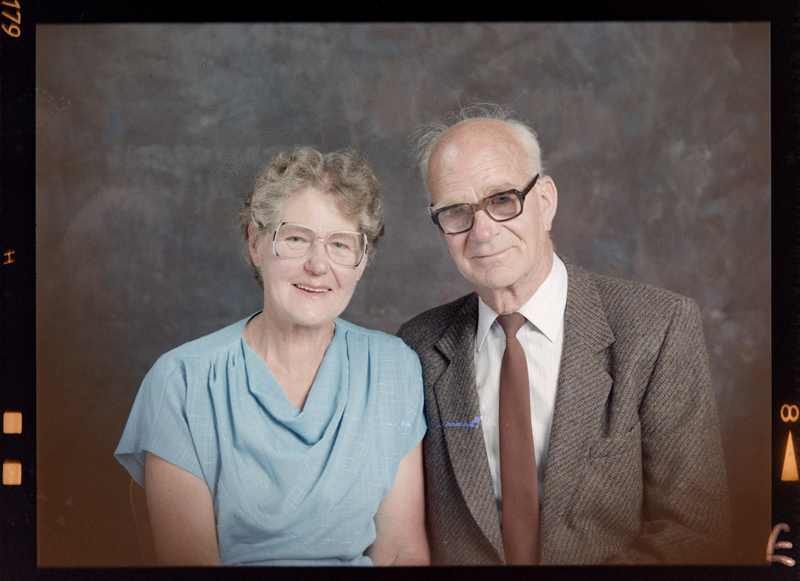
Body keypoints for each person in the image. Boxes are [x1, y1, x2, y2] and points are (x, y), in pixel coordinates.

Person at [397, 104, 732, 565]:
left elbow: (694, 533)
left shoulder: (658, 327)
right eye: (457, 211)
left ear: (546, 201)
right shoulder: (416, 347)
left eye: (502, 200)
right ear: (441, 227)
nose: (483, 232)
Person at [115, 147, 429, 566]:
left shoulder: (394, 368)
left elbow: (401, 551)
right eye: (296, 238)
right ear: (255, 243)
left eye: (340, 244)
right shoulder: (182, 381)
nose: (318, 265)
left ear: (363, 260)